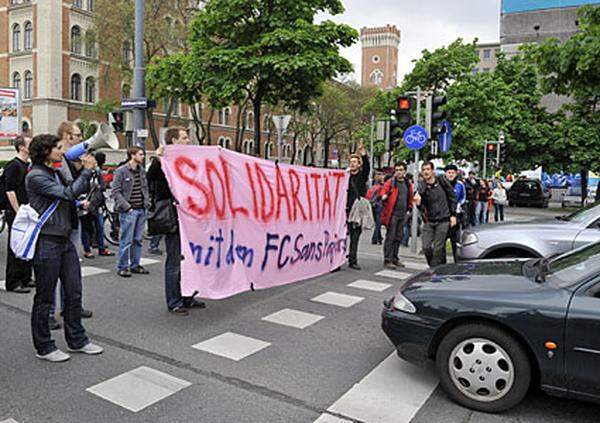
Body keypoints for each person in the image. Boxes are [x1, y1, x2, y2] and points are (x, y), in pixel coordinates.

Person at [26, 134, 103, 362]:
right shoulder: (36, 176)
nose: (62, 151)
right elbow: (68, 193)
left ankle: (77, 340)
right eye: (58, 148)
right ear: (45, 151)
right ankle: (44, 347)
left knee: (73, 292)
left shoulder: (56, 172)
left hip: (64, 240)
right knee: (45, 298)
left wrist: (80, 202)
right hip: (47, 241)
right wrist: (87, 171)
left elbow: (68, 197)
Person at [148, 127, 206, 315]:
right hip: (174, 218)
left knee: (189, 260)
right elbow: (151, 176)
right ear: (173, 141)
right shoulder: (163, 163)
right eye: (184, 138)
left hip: (189, 219)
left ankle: (188, 296)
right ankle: (174, 301)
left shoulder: (188, 163)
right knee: (174, 260)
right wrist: (158, 157)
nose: (188, 141)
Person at [49, 122, 93, 330]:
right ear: (66, 137)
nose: (81, 139)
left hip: (71, 220)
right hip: (56, 226)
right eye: (77, 135)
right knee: (52, 273)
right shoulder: (55, 164)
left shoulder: (68, 161)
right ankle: (50, 313)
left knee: (71, 271)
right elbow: (65, 192)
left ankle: (71, 308)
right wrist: (83, 173)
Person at [112, 147, 150, 278]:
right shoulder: (121, 171)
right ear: (132, 155)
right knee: (126, 240)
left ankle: (135, 265)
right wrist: (127, 207)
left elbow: (145, 189)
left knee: (138, 240)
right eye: (140, 154)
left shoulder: (142, 171)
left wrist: (147, 203)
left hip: (141, 209)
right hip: (129, 210)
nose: (143, 156)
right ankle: (123, 266)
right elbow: (115, 191)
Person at [3, 135, 34, 293]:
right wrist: (18, 211)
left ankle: (26, 278)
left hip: (26, 211)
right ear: (21, 147)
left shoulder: (28, 165)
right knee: (15, 245)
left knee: (27, 243)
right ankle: (13, 282)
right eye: (30, 143)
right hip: (17, 211)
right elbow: (10, 190)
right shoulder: (14, 165)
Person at [414, 162, 457, 267]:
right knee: (426, 247)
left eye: (428, 169)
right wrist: (419, 203)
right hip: (429, 220)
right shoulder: (422, 186)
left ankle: (434, 271)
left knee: (438, 248)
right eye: (423, 170)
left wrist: (453, 215)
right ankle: (434, 267)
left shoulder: (442, 181)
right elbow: (421, 206)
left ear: (433, 171)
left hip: (443, 219)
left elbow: (452, 197)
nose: (426, 172)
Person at [80, 152, 114, 259]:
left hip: (97, 203)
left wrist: (100, 185)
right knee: (86, 228)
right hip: (86, 203)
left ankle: (101, 248)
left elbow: (103, 185)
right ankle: (87, 250)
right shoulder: (82, 172)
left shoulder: (97, 171)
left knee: (99, 227)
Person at [380, 162, 413, 269]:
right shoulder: (391, 182)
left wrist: (409, 208)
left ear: (405, 171)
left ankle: (395, 258)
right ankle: (388, 259)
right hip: (392, 214)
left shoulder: (407, 183)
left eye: (401, 170)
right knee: (391, 236)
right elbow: (383, 192)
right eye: (397, 170)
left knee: (399, 237)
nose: (399, 172)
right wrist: (384, 196)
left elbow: (410, 196)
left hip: (403, 214)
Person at [346, 141, 369, 270]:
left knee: (355, 236)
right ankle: (338, 258)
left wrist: (363, 153)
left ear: (359, 164)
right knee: (341, 235)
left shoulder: (361, 176)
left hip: (357, 211)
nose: (352, 163)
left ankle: (352, 259)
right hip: (344, 210)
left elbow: (367, 167)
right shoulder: (345, 176)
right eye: (351, 161)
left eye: (355, 161)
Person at [444, 164, 465, 263]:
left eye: (453, 173)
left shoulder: (460, 184)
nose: (451, 174)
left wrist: (459, 205)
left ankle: (457, 261)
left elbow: (463, 197)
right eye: (449, 172)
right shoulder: (441, 183)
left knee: (455, 241)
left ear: (456, 174)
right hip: (444, 216)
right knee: (441, 241)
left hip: (456, 215)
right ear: (445, 173)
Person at [366, 173, 384, 245]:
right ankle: (375, 238)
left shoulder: (373, 187)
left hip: (372, 205)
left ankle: (379, 238)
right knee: (378, 223)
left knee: (377, 222)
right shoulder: (381, 188)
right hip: (379, 205)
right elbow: (380, 196)